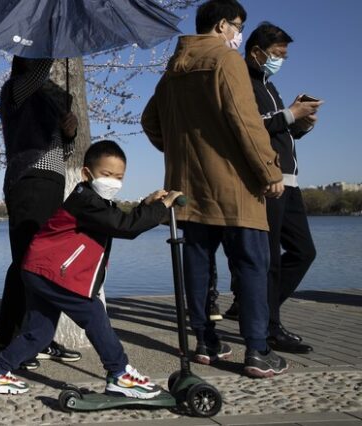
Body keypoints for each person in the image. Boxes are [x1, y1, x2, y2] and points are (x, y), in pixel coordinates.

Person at [142, 0, 289, 378]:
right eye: (237, 26)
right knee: (253, 264)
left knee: (198, 264)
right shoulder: (226, 62)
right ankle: (257, 351)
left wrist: (176, 148)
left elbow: (149, 120)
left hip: (187, 186)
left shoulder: (172, 71)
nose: (238, 34)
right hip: (234, 184)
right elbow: (245, 122)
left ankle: (206, 342)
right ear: (222, 25)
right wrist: (269, 169)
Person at [0, 140, 183, 396]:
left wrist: (145, 205)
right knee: (94, 316)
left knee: (38, 333)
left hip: (40, 271)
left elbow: (118, 221)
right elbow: (124, 227)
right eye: (106, 175)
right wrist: (160, 208)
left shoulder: (95, 202)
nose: (113, 181)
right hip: (53, 272)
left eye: (119, 177)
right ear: (87, 174)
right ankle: (119, 373)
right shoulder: (84, 200)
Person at [0, 56, 82, 370]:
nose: (45, 60)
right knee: (25, 263)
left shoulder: (52, 98)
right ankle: (5, 341)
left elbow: (64, 152)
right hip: (28, 179)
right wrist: (50, 48)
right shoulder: (15, 89)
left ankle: (39, 337)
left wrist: (69, 132)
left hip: (53, 183)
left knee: (44, 265)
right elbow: (38, 71)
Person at [238, 22, 320, 353]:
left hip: (290, 182)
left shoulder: (270, 86)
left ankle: (254, 306)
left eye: (283, 55)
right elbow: (249, 127)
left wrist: (300, 123)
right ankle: (269, 325)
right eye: (276, 54)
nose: (280, 60)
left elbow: (278, 130)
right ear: (256, 51)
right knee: (269, 259)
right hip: (268, 183)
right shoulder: (242, 82)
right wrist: (289, 115)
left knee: (304, 251)